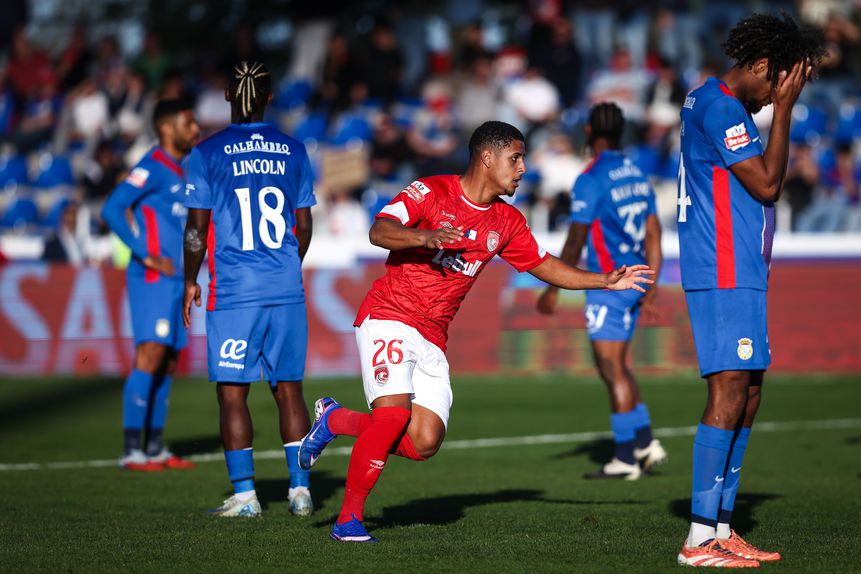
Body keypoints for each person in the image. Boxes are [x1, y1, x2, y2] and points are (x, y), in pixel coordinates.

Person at [297, 120, 655, 543]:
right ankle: (348, 521)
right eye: (515, 158)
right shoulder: (430, 191)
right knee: (392, 416)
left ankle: (336, 419)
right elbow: (380, 230)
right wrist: (426, 237)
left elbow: (547, 266)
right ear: (487, 157)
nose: (522, 169)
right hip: (389, 315)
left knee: (424, 442)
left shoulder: (506, 222)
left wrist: (604, 281)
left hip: (432, 335)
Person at [674, 14, 825, 568]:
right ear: (763, 65)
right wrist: (784, 113)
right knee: (729, 392)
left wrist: (779, 106)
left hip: (740, 270)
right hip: (723, 269)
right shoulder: (721, 107)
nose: (776, 96)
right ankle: (698, 540)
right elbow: (767, 185)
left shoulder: (713, 102)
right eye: (780, 83)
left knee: (749, 393)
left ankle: (720, 524)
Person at [182, 61, 317, 518]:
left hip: (235, 291)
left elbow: (197, 231)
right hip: (285, 286)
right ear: (270, 97)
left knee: (232, 393)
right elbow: (303, 224)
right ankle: (300, 492)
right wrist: (284, 267)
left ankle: (245, 497)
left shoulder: (205, 152)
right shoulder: (294, 150)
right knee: (290, 391)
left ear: (226, 95)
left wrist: (188, 280)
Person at [536, 102, 666, 480]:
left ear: (590, 131)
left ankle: (625, 458)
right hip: (636, 278)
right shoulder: (637, 173)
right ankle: (644, 442)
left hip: (610, 283)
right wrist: (651, 284)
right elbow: (654, 232)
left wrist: (553, 287)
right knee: (620, 366)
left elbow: (576, 237)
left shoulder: (591, 177)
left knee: (610, 369)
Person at [101, 98, 200, 471]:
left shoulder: (183, 170)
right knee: (150, 355)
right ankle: (132, 451)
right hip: (152, 277)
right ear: (167, 128)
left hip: (177, 279)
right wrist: (144, 253)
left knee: (170, 360)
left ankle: (156, 448)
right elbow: (112, 208)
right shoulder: (152, 166)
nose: (195, 130)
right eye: (188, 123)